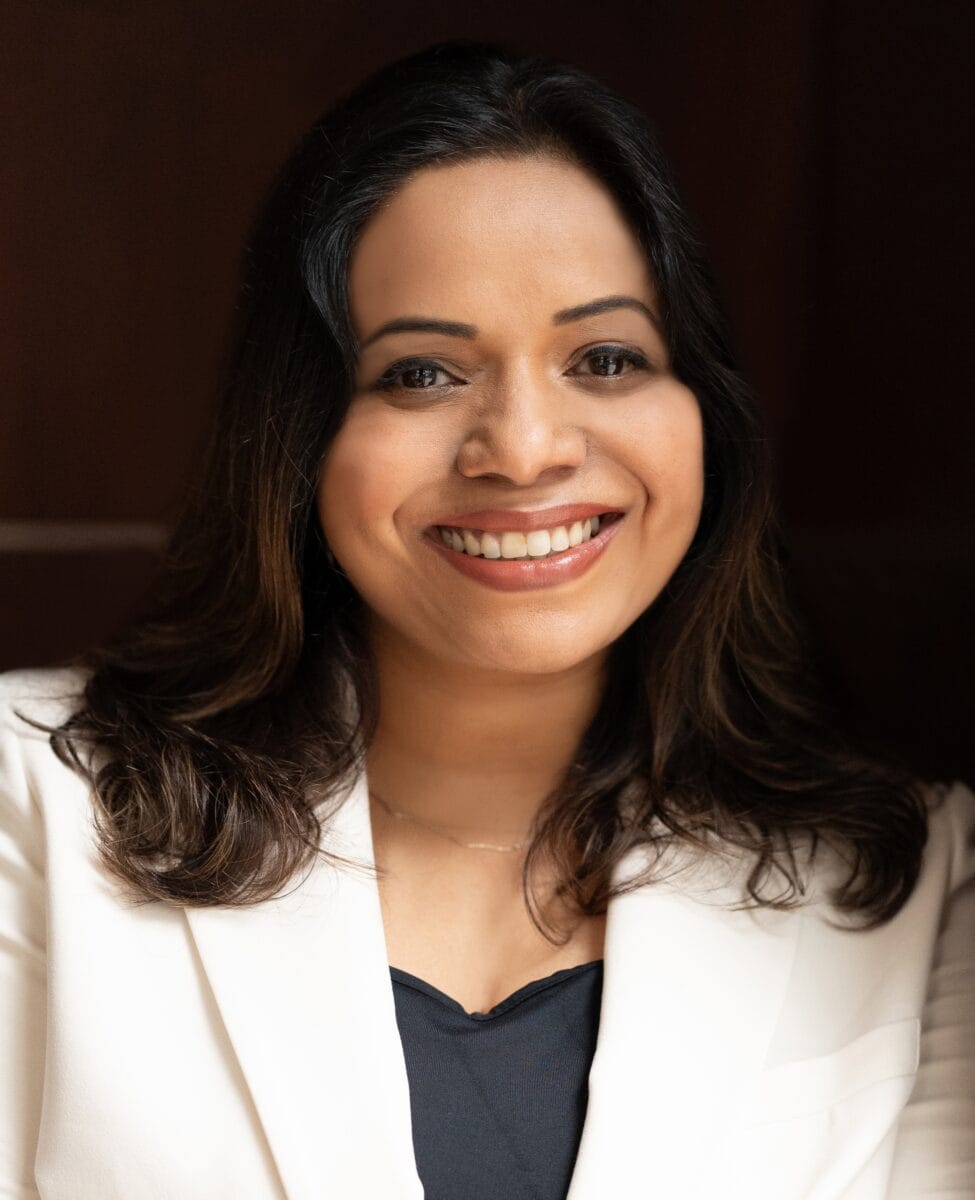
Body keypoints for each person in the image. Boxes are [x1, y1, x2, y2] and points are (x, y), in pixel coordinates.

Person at [1, 38, 972, 1200]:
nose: (522, 449)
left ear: (704, 413)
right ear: (302, 435)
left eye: (606, 357)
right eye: (420, 373)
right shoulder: (34, 808)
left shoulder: (909, 875)